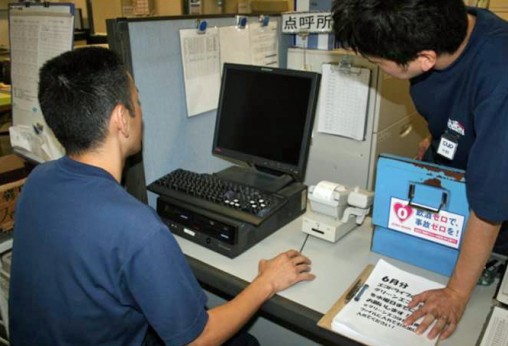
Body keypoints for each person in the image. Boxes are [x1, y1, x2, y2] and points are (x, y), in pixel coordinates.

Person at [8, 47, 315, 345]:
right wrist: (267, 282)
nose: (141, 111)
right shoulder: (138, 228)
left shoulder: (38, 181)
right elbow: (197, 340)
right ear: (121, 120)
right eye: (136, 101)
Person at [332, 0, 508, 341]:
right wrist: (441, 135)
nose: (379, 68)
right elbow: (454, 98)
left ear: (425, 59)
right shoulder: (446, 23)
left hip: (497, 208)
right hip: (461, 179)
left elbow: (490, 206)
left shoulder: (504, 79)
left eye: (378, 64)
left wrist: (457, 295)